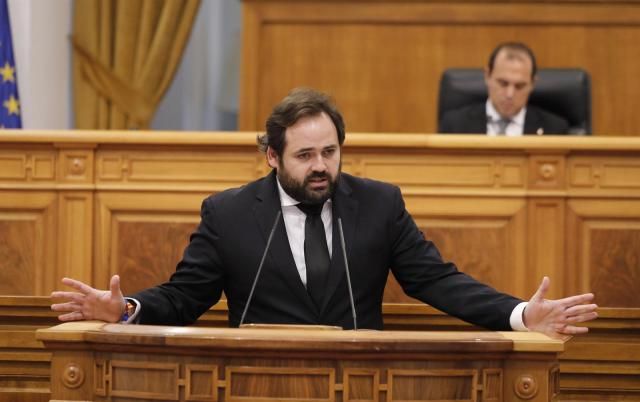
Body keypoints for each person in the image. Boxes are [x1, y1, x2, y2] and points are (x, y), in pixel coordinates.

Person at [51, 88, 596, 337]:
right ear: (272, 156)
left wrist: (523, 315)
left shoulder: (379, 204)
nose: (321, 168)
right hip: (256, 387)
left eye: (330, 153)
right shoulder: (230, 214)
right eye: (305, 155)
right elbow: (185, 296)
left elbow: (438, 281)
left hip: (358, 383)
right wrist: (123, 308)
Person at [439, 42, 570, 136]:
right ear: (487, 76)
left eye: (520, 86)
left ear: (532, 84)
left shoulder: (554, 129)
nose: (509, 94)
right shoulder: (455, 125)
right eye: (503, 83)